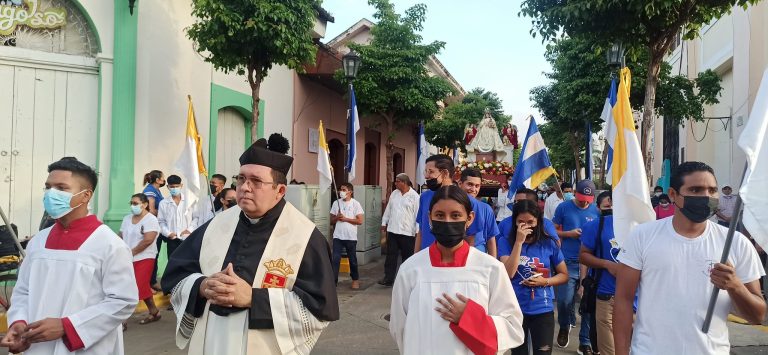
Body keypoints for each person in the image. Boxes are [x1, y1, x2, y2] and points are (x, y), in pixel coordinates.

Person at [161, 135, 340, 354]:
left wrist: (253, 299)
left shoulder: (305, 237)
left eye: (256, 181)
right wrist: (202, 286)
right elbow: (175, 274)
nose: (245, 187)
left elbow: (319, 310)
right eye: (241, 179)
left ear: (280, 190)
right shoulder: (217, 224)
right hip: (211, 340)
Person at [614, 162, 766, 355]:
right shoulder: (642, 236)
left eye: (712, 190)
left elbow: (757, 315)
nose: (706, 197)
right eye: (695, 190)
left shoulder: (736, 243)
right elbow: (623, 300)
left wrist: (735, 286)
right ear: (672, 195)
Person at [0, 157, 137, 354]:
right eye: (48, 187)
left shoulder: (109, 244)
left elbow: (123, 301)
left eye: (61, 188)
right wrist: (19, 322)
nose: (50, 194)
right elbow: (23, 291)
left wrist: (68, 326)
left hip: (86, 347)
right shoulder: (38, 241)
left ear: (85, 196)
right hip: (37, 345)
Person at [389, 185, 525, 354]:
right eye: (439, 215)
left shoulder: (490, 269)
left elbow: (513, 329)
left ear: (469, 218)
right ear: (429, 218)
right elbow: (398, 328)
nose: (447, 222)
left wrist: (470, 318)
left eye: (455, 215)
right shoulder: (410, 269)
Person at [498, 199, 568, 355]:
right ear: (514, 222)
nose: (526, 226)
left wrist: (546, 281)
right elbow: (508, 273)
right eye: (520, 222)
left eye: (530, 222)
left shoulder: (549, 243)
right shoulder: (505, 242)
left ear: (538, 221)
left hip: (542, 309)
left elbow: (564, 275)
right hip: (515, 309)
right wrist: (518, 243)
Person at [552, 179, 600, 354]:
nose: (584, 202)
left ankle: (585, 341)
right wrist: (568, 234)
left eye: (588, 199)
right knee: (564, 300)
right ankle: (564, 325)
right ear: (574, 192)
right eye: (581, 198)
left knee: (587, 303)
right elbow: (552, 229)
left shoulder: (597, 211)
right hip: (568, 261)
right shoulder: (563, 207)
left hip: (590, 261)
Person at [579, 191, 617, 355]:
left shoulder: (644, 225)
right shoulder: (596, 225)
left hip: (638, 299)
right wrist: (607, 265)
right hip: (606, 296)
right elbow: (583, 256)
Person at [120, 193, 161, 325]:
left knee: (133, 287)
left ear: (144, 204)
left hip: (144, 257)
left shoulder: (151, 220)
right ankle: (154, 312)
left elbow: (148, 240)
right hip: (127, 258)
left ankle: (122, 321)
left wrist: (132, 252)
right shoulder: (127, 218)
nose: (133, 206)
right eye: (131, 203)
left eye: (135, 203)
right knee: (141, 287)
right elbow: (120, 236)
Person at [379, 173, 420, 287]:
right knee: (390, 256)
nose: (395, 183)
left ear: (405, 182)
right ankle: (388, 278)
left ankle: (406, 279)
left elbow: (418, 215)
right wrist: (384, 222)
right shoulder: (394, 194)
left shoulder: (415, 196)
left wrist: (417, 231)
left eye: (398, 181)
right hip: (393, 230)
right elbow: (389, 209)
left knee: (407, 257)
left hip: (407, 232)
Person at [459, 168, 500, 257]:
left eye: (477, 186)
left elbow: (491, 239)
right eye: (470, 184)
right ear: (460, 184)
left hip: (479, 255)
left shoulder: (486, 209)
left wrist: (494, 263)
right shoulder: (451, 205)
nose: (473, 189)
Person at [330, 183, 364, 289]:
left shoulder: (355, 204)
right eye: (341, 189)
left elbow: (360, 221)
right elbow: (331, 221)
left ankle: (355, 279)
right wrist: (337, 218)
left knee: (352, 259)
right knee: (335, 259)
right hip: (338, 236)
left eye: (344, 190)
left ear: (350, 192)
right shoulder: (336, 203)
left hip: (350, 237)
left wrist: (345, 219)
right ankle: (333, 282)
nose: (341, 192)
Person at [157, 175, 198, 260]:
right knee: (173, 262)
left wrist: (189, 230)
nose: (174, 189)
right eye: (172, 187)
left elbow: (196, 218)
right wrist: (168, 233)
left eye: (177, 186)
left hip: (188, 238)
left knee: (188, 262)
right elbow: (161, 221)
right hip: (172, 239)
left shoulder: (190, 201)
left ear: (181, 186)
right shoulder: (163, 203)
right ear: (168, 187)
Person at [144, 170, 166, 291]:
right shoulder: (150, 191)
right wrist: (166, 213)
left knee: (155, 254)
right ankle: (146, 284)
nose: (164, 180)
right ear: (157, 180)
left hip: (157, 226)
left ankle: (152, 281)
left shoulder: (156, 190)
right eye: (163, 178)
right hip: (151, 227)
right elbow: (151, 210)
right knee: (150, 255)